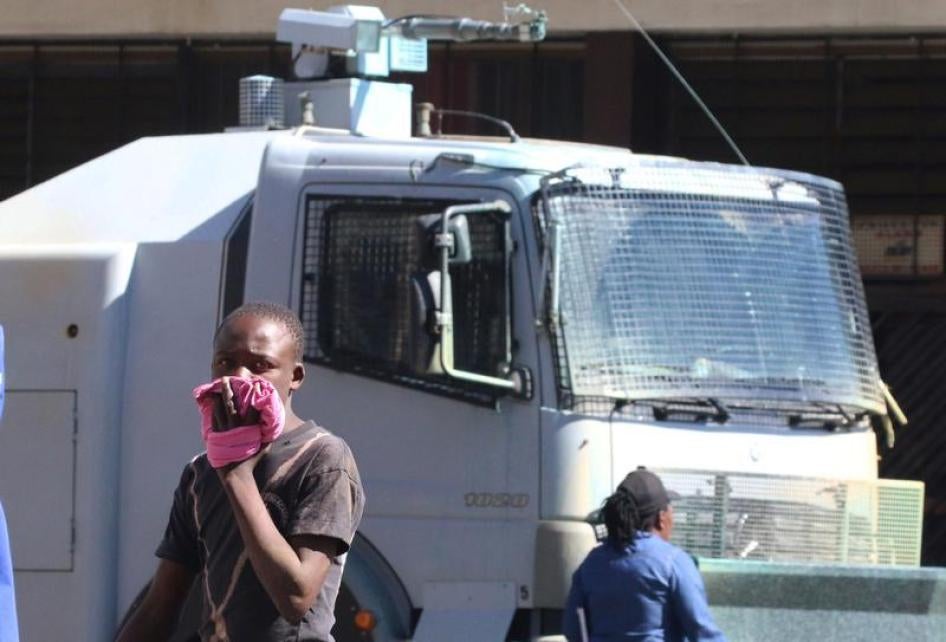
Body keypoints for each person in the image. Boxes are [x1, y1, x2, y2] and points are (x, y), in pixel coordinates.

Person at [117, 302, 365, 642]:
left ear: (295, 376)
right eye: (225, 363)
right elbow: (161, 604)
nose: (239, 379)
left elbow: (296, 599)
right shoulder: (200, 473)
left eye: (261, 366)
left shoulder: (322, 459)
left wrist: (236, 474)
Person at [563, 467, 726, 642]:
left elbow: (573, 630)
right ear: (661, 518)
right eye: (671, 511)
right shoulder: (673, 562)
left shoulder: (591, 564)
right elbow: (702, 633)